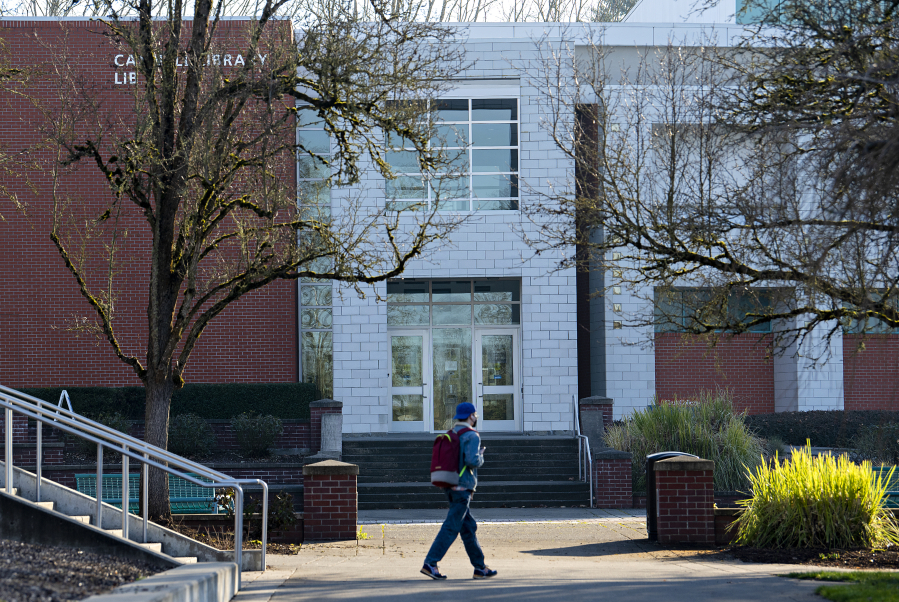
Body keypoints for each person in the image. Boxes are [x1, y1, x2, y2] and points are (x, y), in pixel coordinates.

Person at [421, 402, 498, 580]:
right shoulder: (472, 435)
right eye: (475, 415)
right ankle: (430, 563)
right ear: (471, 416)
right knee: (451, 527)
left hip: (449, 484)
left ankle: (480, 568)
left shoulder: (452, 433)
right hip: (463, 487)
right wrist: (481, 456)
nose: (476, 417)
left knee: (468, 527)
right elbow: (472, 461)